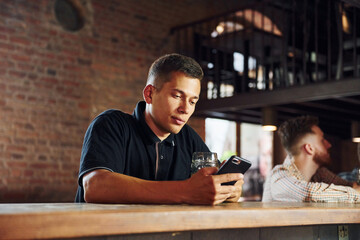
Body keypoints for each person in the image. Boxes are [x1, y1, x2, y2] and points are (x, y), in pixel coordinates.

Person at [75, 53, 244, 205]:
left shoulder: (188, 137)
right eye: (177, 96)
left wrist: (227, 191)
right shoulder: (111, 124)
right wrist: (185, 191)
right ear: (149, 94)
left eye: (192, 102)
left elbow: (209, 186)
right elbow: (95, 186)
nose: (185, 109)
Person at [262, 115, 360, 203]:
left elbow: (352, 186)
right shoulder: (279, 176)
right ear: (309, 148)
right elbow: (308, 193)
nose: (329, 145)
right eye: (322, 141)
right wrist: (354, 193)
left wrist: (354, 189)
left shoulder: (319, 174)